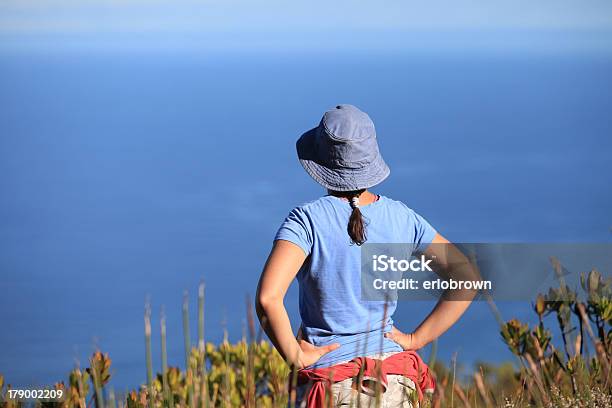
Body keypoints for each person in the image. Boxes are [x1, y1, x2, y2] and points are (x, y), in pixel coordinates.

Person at [256, 104, 475, 407]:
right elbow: (466, 277)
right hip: (396, 381)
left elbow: (268, 299)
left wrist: (295, 355)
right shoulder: (402, 218)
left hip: (333, 383)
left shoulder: (306, 221)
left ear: (321, 163)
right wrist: (416, 340)